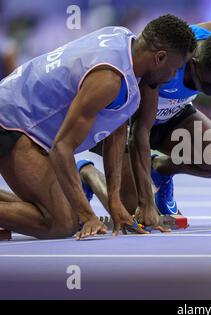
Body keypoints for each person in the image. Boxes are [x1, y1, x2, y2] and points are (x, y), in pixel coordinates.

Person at [0, 15, 197, 240]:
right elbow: (61, 149)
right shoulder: (108, 79)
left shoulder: (123, 42)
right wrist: (88, 216)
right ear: (160, 58)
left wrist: (115, 202)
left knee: (66, 211)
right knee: (61, 223)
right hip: (11, 121)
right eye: (175, 68)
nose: (173, 76)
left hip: (24, 121)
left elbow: (116, 131)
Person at [79, 22, 211, 229]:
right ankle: (88, 173)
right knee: (133, 211)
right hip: (125, 121)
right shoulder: (167, 57)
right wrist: (147, 203)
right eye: (206, 87)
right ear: (193, 62)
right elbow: (140, 131)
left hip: (172, 114)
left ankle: (159, 169)